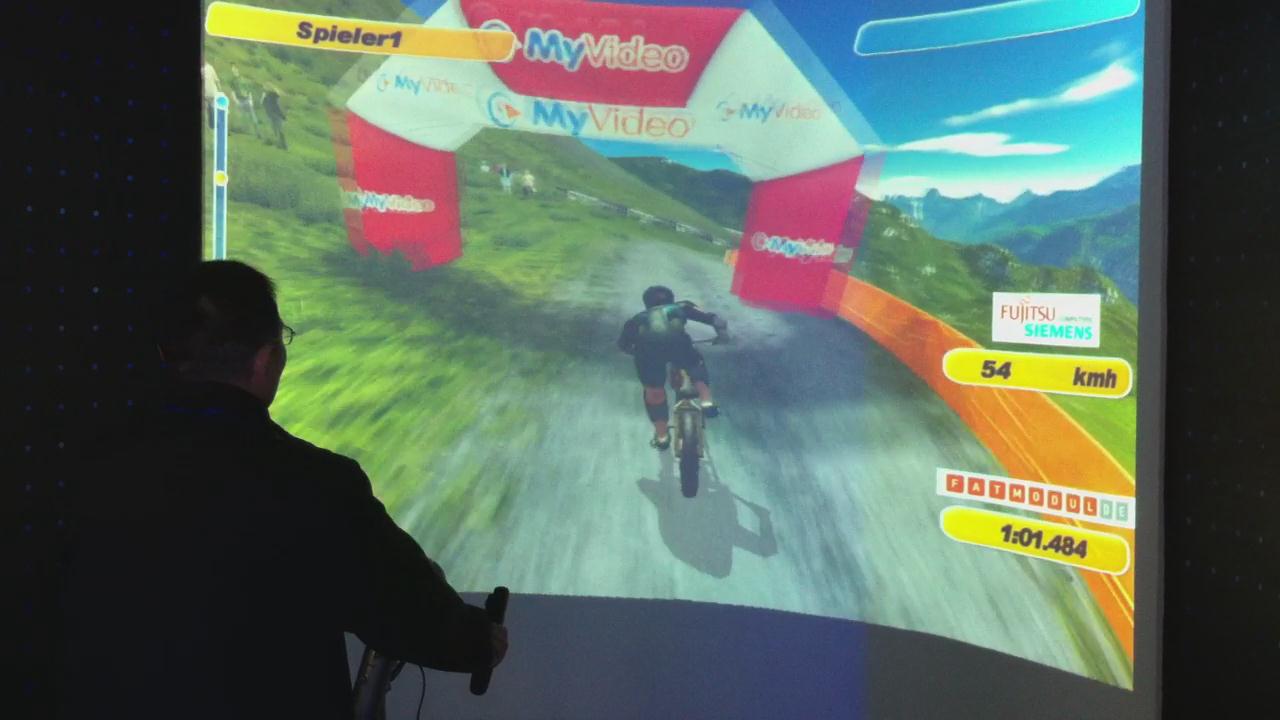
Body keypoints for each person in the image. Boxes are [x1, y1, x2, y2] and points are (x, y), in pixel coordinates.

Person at [58, 261, 507, 720]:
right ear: (266, 359)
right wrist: (479, 640)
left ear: (166, 355)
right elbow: (408, 613)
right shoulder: (316, 484)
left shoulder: (95, 469)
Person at [617, 285, 729, 450]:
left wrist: (637, 352)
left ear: (646, 303)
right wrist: (722, 336)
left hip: (648, 355)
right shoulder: (681, 307)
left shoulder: (635, 320)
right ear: (671, 298)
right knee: (695, 363)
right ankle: (707, 402)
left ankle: (662, 436)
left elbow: (623, 345)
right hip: (678, 346)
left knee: (654, 392)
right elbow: (716, 320)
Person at [228, 64, 264, 139]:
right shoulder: (232, 81)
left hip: (247, 100)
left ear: (238, 70)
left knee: (253, 117)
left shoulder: (243, 79)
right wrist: (235, 100)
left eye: (235, 69)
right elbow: (232, 91)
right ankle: (233, 130)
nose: (233, 71)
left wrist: (250, 99)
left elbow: (249, 90)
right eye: (232, 70)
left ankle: (258, 133)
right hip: (239, 100)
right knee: (237, 116)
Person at [262, 84, 288, 150]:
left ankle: (278, 144)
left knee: (275, 131)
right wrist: (283, 116)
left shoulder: (266, 99)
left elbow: (265, 106)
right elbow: (277, 109)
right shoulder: (274, 101)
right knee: (279, 131)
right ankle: (282, 145)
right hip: (276, 117)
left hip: (270, 116)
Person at [201, 58, 221, 130]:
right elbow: (217, 80)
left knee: (209, 109)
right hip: (210, 92)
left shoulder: (206, 69)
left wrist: (220, 89)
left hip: (208, 92)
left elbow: (216, 80)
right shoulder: (209, 68)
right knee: (211, 109)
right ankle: (213, 125)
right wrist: (220, 90)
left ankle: (210, 125)